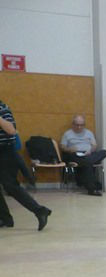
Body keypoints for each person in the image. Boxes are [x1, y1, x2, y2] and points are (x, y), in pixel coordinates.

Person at [0, 98, 51, 230]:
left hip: (6, 153)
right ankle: (5, 219)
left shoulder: (3, 109)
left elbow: (11, 130)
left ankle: (40, 211)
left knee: (10, 186)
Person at [59, 114, 106, 195]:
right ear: (73, 124)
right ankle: (92, 189)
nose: (79, 127)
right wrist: (69, 149)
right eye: (77, 125)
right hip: (74, 154)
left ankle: (88, 161)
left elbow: (94, 145)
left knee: (104, 152)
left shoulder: (89, 133)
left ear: (84, 125)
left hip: (88, 154)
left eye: (81, 125)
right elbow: (62, 146)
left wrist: (90, 150)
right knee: (88, 162)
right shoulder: (67, 134)